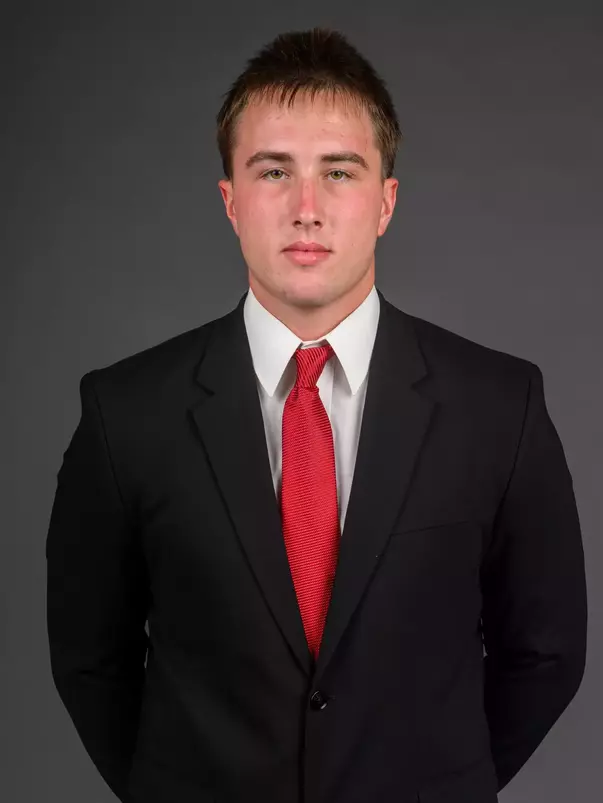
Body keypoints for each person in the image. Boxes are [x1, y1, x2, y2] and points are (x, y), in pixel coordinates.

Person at [46, 26, 587, 803]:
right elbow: (89, 660)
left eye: (339, 171)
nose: (306, 207)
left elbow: (545, 652)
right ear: (230, 200)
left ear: (384, 202)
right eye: (273, 171)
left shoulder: (499, 404)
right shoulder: (124, 412)